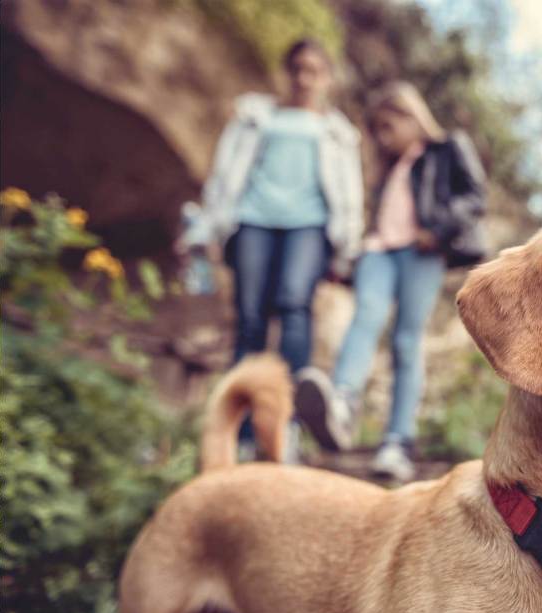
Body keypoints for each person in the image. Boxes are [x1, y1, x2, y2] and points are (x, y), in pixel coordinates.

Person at [178, 39, 364, 462]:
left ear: (327, 79)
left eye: (314, 70)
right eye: (297, 68)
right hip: (253, 221)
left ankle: (287, 428)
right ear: (287, 71)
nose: (304, 78)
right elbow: (224, 176)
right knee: (250, 320)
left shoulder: (338, 133)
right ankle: (242, 433)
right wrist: (205, 227)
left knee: (295, 308)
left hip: (310, 227)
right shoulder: (255, 117)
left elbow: (350, 194)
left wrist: (345, 249)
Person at [295, 81, 487, 482]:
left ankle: (397, 441)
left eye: (388, 126)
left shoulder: (447, 148)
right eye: (378, 130)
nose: (383, 138)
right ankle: (342, 404)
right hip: (379, 252)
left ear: (411, 116)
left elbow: (474, 197)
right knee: (365, 316)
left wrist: (437, 230)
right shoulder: (389, 170)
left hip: (422, 252)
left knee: (406, 340)